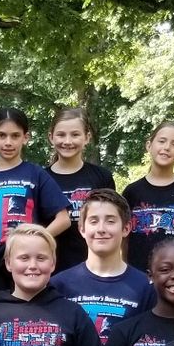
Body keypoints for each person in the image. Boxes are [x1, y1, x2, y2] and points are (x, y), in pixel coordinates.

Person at [0, 108, 72, 294]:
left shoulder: (35, 174)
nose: (8, 142)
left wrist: (33, 237)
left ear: (25, 137)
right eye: (2, 135)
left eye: (15, 136)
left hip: (28, 264)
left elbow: (63, 219)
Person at [50, 189, 156, 346]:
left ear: (126, 228)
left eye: (110, 221)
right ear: (82, 229)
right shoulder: (59, 285)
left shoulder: (145, 288)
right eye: (93, 221)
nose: (101, 229)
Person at [121, 120, 174, 271]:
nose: (166, 148)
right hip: (138, 279)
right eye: (162, 141)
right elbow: (124, 241)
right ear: (149, 145)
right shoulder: (132, 191)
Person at [46, 108, 115, 273]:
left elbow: (111, 223)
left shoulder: (102, 177)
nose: (68, 141)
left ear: (87, 138)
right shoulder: (41, 178)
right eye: (61, 135)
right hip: (51, 269)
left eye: (75, 135)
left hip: (93, 268)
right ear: (51, 137)